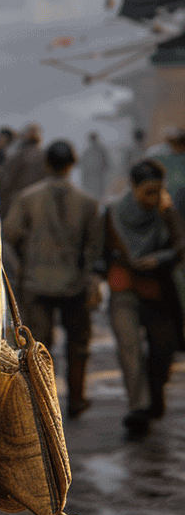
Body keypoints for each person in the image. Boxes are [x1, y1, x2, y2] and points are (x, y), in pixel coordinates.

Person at [2, 140, 103, 417]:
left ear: (47, 164)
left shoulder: (27, 198)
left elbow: (9, 236)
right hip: (75, 285)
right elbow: (94, 248)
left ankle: (44, 404)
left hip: (36, 283)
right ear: (73, 164)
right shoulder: (88, 203)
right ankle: (76, 399)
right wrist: (87, 277)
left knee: (39, 347)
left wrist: (22, 268)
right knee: (78, 344)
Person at [104, 159, 184, 437]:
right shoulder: (114, 213)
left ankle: (154, 394)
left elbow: (180, 246)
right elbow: (100, 250)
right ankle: (139, 406)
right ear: (134, 188)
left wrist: (163, 256)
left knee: (164, 348)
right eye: (147, 191)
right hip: (124, 287)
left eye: (157, 191)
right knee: (130, 349)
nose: (152, 198)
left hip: (157, 289)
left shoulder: (165, 212)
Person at [0, 123, 47, 219]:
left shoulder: (19, 156)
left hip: (18, 204)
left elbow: (5, 181)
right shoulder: (46, 156)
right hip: (39, 205)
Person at [79, 131, 109, 200]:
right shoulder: (87, 152)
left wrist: (102, 172)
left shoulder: (102, 151)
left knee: (99, 197)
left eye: (93, 138)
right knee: (89, 196)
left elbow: (106, 164)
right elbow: (82, 164)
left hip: (99, 178)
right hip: (89, 179)